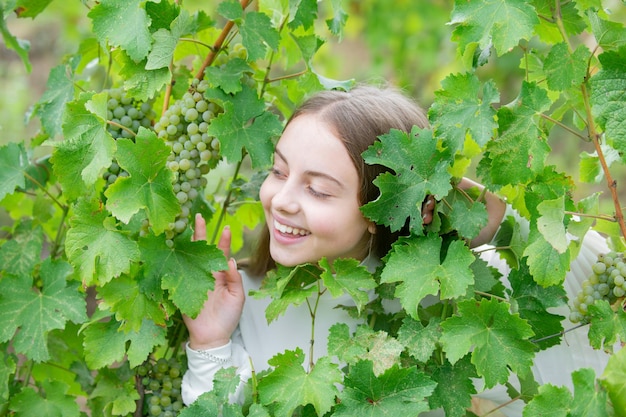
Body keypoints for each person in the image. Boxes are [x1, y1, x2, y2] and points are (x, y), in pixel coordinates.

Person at [180, 84, 614, 415]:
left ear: (381, 209)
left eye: (318, 190)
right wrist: (210, 340)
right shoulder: (246, 295)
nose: (281, 200)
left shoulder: (437, 303)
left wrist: (462, 205)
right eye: (278, 171)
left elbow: (585, 260)